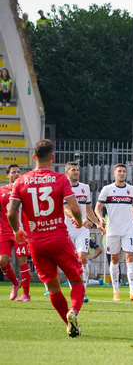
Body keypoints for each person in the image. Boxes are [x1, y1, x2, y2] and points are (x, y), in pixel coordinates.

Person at [8, 139, 84, 338]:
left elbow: (11, 213)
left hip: (37, 243)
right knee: (76, 281)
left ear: (34, 157)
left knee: (52, 287)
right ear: (52, 157)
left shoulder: (21, 181)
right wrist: (78, 220)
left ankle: (69, 326)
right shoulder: (60, 179)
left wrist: (17, 231)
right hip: (59, 239)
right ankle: (73, 312)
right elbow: (75, 208)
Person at [95, 163, 133, 302]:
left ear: (126, 174)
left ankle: (132, 291)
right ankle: (116, 291)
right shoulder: (107, 189)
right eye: (119, 171)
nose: (121, 173)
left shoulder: (131, 190)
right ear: (114, 174)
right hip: (113, 230)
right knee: (114, 260)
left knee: (130, 258)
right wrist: (100, 218)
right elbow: (98, 207)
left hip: (128, 230)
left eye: (123, 171)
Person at [63, 161, 104, 303]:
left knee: (83, 258)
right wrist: (77, 218)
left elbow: (87, 208)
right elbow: (65, 209)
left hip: (82, 230)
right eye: (73, 170)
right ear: (67, 172)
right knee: (71, 262)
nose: (76, 172)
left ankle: (82, 292)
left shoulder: (85, 188)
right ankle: (74, 290)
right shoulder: (64, 187)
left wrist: (97, 223)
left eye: (77, 170)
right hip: (67, 229)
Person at [0, 164, 31, 301]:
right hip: (4, 231)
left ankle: (26, 294)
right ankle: (15, 283)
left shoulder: (25, 191)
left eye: (19, 172)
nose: (17, 174)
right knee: (2, 261)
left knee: (22, 260)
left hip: (20, 231)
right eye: (13, 172)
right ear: (7, 175)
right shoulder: (1, 191)